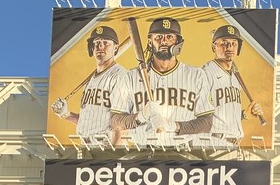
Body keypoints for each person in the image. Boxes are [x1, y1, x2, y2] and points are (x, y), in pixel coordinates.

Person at [111, 16, 214, 148]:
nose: (164, 41)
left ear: (178, 42)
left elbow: (207, 122)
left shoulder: (196, 75)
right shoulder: (130, 77)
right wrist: (140, 116)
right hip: (142, 151)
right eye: (158, 37)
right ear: (150, 42)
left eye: (170, 37)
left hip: (182, 152)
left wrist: (174, 126)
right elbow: (115, 121)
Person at [51, 25, 132, 145]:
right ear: (92, 48)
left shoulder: (119, 76)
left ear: (116, 48)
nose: (100, 46)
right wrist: (65, 113)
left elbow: (122, 123)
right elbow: (89, 122)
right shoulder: (90, 81)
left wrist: (115, 155)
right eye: (97, 42)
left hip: (107, 147)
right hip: (87, 146)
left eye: (105, 42)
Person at [200, 24, 264, 147]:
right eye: (224, 43)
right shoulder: (205, 73)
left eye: (234, 43)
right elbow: (197, 113)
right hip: (212, 142)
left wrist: (244, 115)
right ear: (214, 46)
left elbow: (224, 113)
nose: (229, 47)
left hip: (234, 143)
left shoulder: (235, 77)